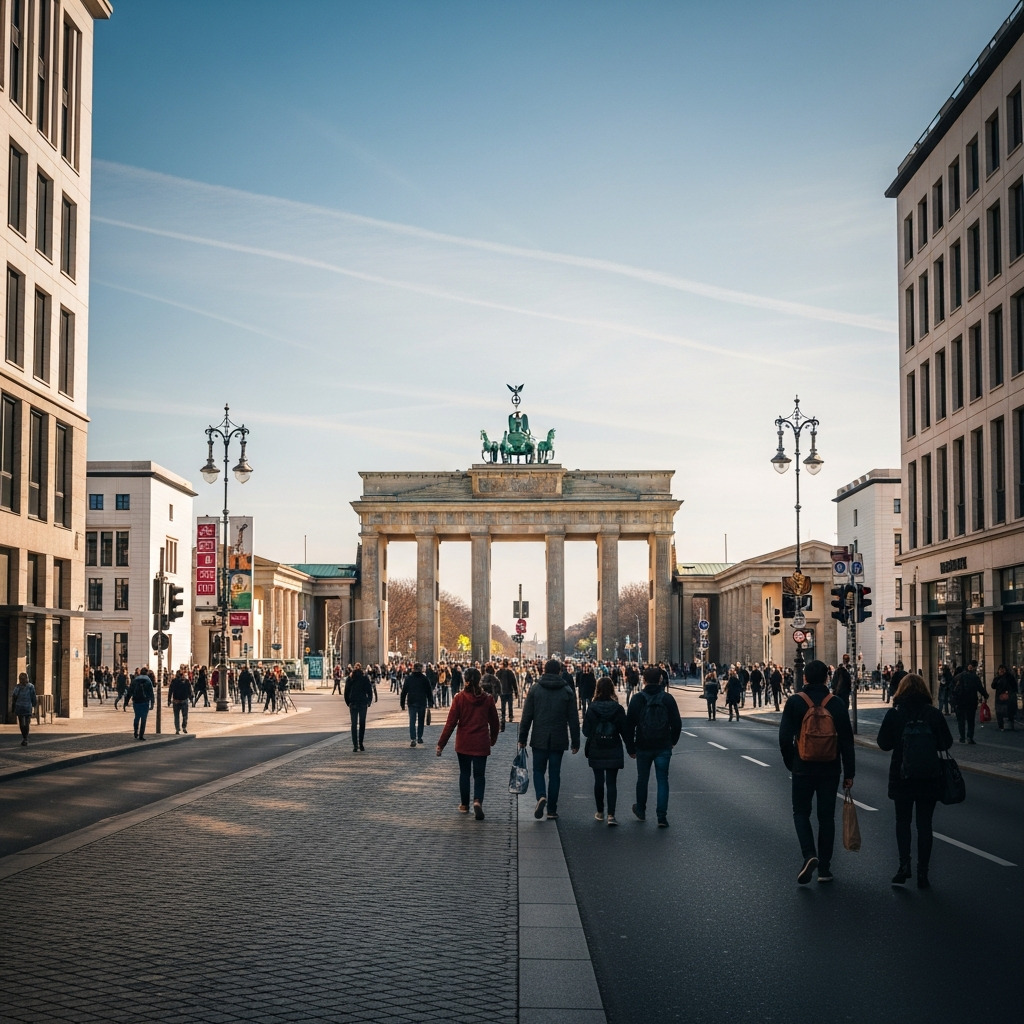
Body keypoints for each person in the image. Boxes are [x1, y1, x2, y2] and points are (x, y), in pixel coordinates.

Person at [778, 659, 855, 884]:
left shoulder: (795, 702)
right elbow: (847, 742)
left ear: (805, 678)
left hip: (802, 767)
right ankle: (825, 869)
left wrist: (791, 762)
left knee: (801, 813)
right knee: (826, 817)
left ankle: (809, 854)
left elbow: (784, 738)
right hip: (830, 769)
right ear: (827, 678)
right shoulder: (837, 703)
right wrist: (849, 772)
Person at [875, 672, 953, 889]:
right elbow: (946, 743)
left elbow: (883, 743)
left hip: (902, 776)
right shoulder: (934, 714)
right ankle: (923, 873)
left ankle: (903, 866)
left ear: (901, 690)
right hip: (929, 777)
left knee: (903, 822)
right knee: (925, 825)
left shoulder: (895, 714)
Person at [518, 658, 580, 821]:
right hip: (559, 738)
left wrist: (522, 737)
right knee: (555, 774)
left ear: (543, 670)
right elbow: (573, 719)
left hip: (539, 737)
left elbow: (527, 716)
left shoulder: (535, 689)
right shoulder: (567, 691)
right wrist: (576, 741)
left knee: (538, 771)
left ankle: (541, 796)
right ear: (560, 672)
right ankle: (552, 810)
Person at [436, 666, 500, 819]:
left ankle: (464, 805)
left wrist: (441, 744)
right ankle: (477, 801)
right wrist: (493, 739)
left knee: (464, 774)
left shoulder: (459, 698)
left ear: (465, 680)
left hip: (464, 742)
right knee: (479, 775)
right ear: (479, 680)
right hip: (481, 742)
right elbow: (495, 723)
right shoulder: (488, 699)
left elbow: (450, 723)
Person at [626, 665, 682, 827]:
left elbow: (629, 725)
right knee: (662, 780)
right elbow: (677, 723)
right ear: (660, 680)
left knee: (642, 779)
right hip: (663, 745)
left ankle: (641, 810)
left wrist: (630, 747)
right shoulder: (667, 698)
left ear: (643, 680)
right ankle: (661, 816)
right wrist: (673, 741)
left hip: (643, 745)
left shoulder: (637, 699)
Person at [582, 676, 634, 825]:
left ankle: (600, 811)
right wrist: (631, 749)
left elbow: (585, 731)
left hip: (597, 747)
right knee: (612, 783)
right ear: (612, 689)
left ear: (597, 689)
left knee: (599, 781)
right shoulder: (618, 709)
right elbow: (625, 731)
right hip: (613, 747)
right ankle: (611, 815)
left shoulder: (592, 708)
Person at [952, 660, 988, 744]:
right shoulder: (975, 677)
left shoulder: (959, 676)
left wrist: (954, 699)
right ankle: (969, 737)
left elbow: (952, 688)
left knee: (961, 720)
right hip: (971, 701)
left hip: (960, 701)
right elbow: (980, 688)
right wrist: (985, 695)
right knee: (970, 720)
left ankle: (962, 737)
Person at [400, 662, 434, 747]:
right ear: (421, 669)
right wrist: (430, 702)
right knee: (421, 721)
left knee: (412, 721)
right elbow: (429, 691)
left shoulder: (409, 678)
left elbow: (404, 692)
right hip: (422, 702)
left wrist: (402, 704)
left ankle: (413, 738)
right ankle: (419, 737)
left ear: (413, 669)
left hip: (411, 702)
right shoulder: (424, 678)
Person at [345, 662, 374, 752]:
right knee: (362, 724)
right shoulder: (364, 678)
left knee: (354, 725)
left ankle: (355, 745)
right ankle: (360, 744)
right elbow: (369, 690)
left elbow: (346, 692)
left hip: (353, 703)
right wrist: (368, 701)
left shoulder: (350, 678)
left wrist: (348, 702)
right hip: (362, 703)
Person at [129, 668, 156, 741]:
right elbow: (151, 693)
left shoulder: (135, 680)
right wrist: (152, 703)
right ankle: (141, 735)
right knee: (143, 719)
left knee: (137, 717)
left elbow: (130, 690)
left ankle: (135, 731)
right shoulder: (148, 680)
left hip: (136, 701)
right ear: (147, 673)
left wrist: (126, 701)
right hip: (145, 702)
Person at [11, 671, 37, 746]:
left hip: (20, 707)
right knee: (26, 723)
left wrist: (13, 707)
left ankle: (24, 738)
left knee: (22, 724)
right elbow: (33, 697)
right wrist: (34, 704)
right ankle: (25, 738)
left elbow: (14, 697)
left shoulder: (18, 687)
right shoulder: (30, 686)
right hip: (26, 707)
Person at [991, 664, 1019, 731]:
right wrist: (997, 678)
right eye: (1000, 669)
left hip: (1008, 697)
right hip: (999, 697)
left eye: (1003, 669)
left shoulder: (1009, 677)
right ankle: (1001, 726)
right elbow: (993, 686)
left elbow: (1014, 687)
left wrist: (1009, 693)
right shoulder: (997, 678)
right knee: (999, 712)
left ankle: (1009, 725)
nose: (1001, 671)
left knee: (1009, 711)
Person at [167, 667, 193, 734]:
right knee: (182, 716)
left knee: (179, 716)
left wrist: (169, 700)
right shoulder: (182, 681)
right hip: (181, 700)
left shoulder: (177, 681)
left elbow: (170, 691)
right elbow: (189, 690)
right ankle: (181, 728)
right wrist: (191, 698)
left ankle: (180, 728)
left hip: (179, 701)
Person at [497, 659, 519, 729]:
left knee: (503, 705)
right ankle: (510, 716)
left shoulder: (498, 673)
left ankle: (503, 717)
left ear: (503, 665)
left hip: (502, 691)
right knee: (510, 705)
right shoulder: (510, 672)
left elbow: (496, 682)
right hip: (509, 691)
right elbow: (514, 682)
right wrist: (516, 691)